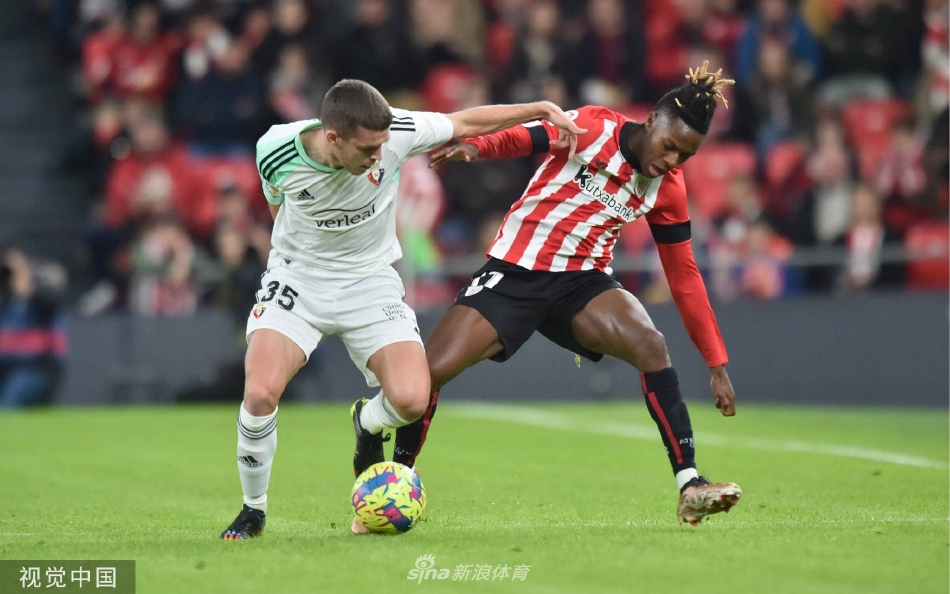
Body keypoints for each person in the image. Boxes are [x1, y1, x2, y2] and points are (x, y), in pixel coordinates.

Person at [378, 63, 743, 530]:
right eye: (670, 146)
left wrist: (716, 363)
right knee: (427, 375)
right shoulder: (593, 126)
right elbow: (528, 137)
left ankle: (690, 484)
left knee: (651, 345)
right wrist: (477, 146)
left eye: (685, 156)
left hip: (582, 283)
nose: (672, 161)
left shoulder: (667, 188)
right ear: (652, 121)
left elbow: (684, 275)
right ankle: (397, 476)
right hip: (517, 271)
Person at [220, 79, 584, 539]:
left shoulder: (398, 132)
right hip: (299, 281)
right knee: (259, 394)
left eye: (382, 146)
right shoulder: (275, 148)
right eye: (367, 149)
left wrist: (539, 108)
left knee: (412, 401)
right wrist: (294, 256)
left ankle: (367, 423)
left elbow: (464, 122)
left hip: (370, 282)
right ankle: (253, 510)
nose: (379, 157)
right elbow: (277, 201)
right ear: (332, 137)